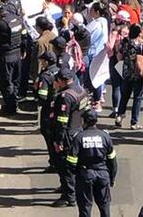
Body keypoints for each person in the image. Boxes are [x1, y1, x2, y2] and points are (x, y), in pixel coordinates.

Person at [49, 67, 90, 207]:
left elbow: (62, 121)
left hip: (68, 134)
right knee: (73, 164)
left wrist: (58, 140)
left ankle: (68, 196)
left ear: (61, 81)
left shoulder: (65, 97)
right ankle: (67, 188)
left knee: (65, 165)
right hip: (79, 130)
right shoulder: (81, 90)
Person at [68, 110, 117, 217]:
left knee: (85, 207)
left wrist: (77, 173)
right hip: (103, 174)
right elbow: (112, 160)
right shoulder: (105, 136)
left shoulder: (79, 137)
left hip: (85, 175)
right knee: (105, 206)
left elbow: (71, 160)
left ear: (84, 121)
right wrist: (112, 178)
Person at [0, 0, 25, 116]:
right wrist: (23, 50)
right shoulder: (16, 19)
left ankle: (10, 108)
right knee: (15, 81)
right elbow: (23, 35)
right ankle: (14, 103)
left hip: (6, 56)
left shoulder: (0, 23)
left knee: (6, 83)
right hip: (17, 53)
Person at [115, 24, 143, 129]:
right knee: (137, 98)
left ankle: (119, 117)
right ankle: (134, 122)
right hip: (138, 74)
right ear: (139, 32)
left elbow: (119, 56)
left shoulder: (125, 42)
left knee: (124, 95)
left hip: (126, 72)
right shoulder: (142, 44)